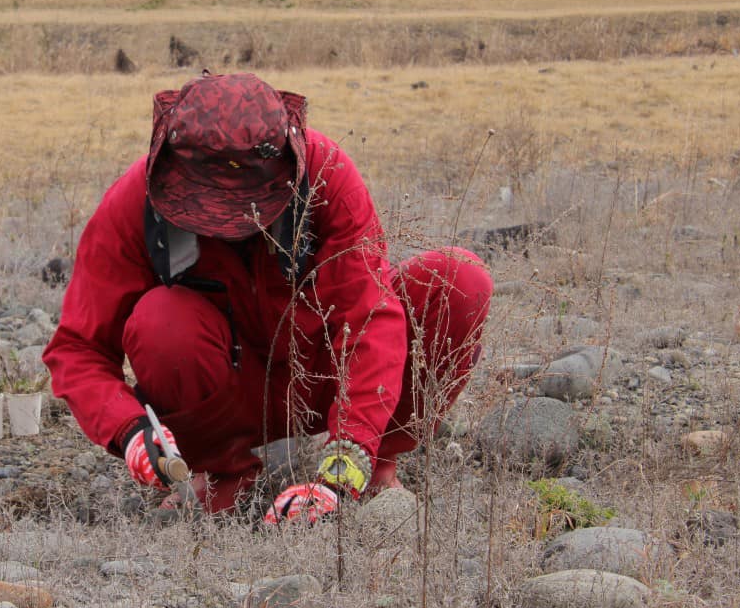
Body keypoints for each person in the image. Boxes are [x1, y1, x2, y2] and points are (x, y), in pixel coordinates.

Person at [43, 72, 494, 524]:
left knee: (460, 281)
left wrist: (347, 459)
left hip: (321, 373)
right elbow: (77, 348)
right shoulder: (137, 200)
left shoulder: (327, 177)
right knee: (159, 322)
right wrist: (130, 429)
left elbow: (369, 318)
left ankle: (374, 463)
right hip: (223, 389)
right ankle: (222, 473)